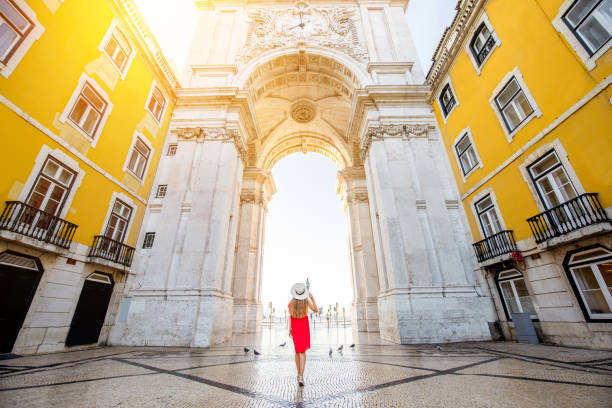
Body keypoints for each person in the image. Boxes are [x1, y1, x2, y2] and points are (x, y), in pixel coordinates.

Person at [288, 282, 318, 386]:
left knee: (297, 351)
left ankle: (298, 374)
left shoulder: (291, 302)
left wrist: (290, 329)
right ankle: (301, 375)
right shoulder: (306, 301)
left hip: (295, 327)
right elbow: (315, 309)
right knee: (303, 352)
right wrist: (312, 298)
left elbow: (290, 316)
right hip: (304, 326)